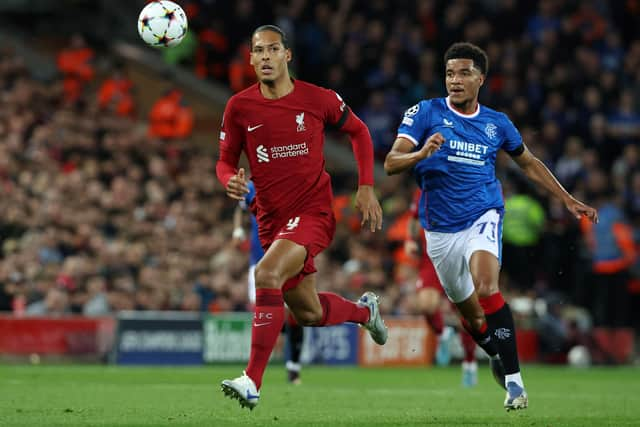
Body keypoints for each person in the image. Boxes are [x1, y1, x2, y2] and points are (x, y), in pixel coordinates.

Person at [384, 42, 598, 411]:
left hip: (483, 214)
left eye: (464, 73)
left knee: (486, 286)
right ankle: (493, 353)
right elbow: (391, 162)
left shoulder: (497, 123)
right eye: (450, 73)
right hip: (439, 230)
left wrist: (566, 198)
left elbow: (528, 163)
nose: (455, 80)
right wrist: (420, 154)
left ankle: (515, 384)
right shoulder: (425, 113)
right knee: (470, 315)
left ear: (480, 78)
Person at [216, 25, 386, 410]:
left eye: (272, 49)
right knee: (308, 312)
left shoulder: (318, 98)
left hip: (312, 212)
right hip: (271, 220)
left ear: (286, 55)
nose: (264, 57)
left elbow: (359, 133)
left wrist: (365, 186)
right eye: (257, 50)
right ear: (250, 59)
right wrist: (230, 182)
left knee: (266, 274)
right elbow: (225, 163)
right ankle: (365, 312)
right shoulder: (239, 107)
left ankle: (252, 381)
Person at [232, 180, 305, 385]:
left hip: (286, 260)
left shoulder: (292, 187)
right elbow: (240, 208)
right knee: (265, 311)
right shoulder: (252, 187)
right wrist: (238, 230)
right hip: (258, 263)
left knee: (294, 312)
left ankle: (293, 366)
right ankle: (256, 371)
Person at [405, 189, 478, 387]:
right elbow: (413, 218)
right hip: (431, 257)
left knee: (466, 313)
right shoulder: (423, 187)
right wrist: (410, 241)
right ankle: (442, 334)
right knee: (426, 305)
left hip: (458, 253)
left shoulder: (461, 182)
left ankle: (469, 363)